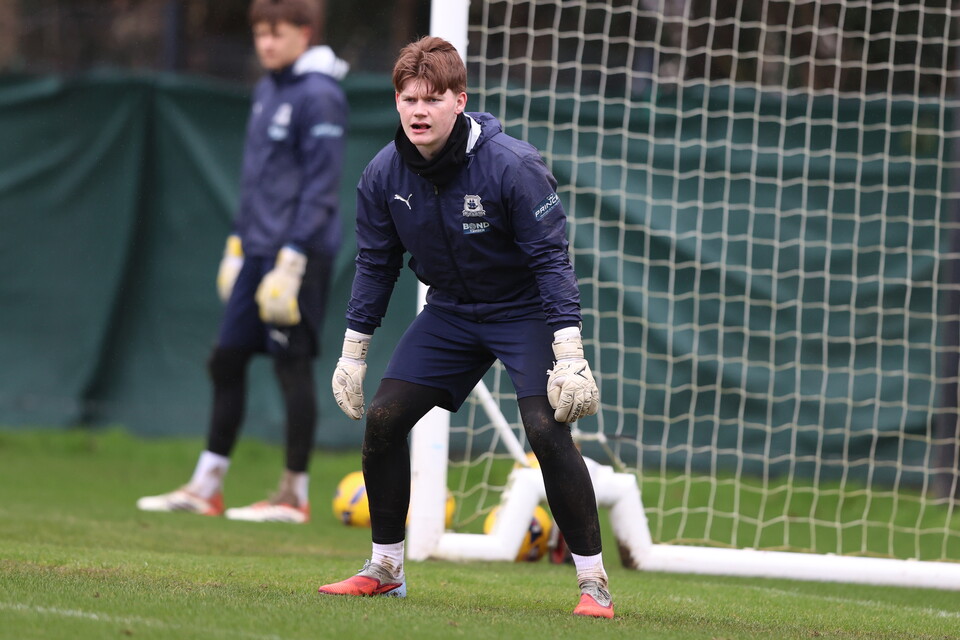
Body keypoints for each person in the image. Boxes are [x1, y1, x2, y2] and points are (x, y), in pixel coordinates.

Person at [319, 36, 613, 618]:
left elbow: (551, 261)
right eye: (408, 98)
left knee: (544, 428)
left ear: (460, 100)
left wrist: (569, 350)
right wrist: (354, 351)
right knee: (382, 418)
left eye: (432, 98)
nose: (419, 111)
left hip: (522, 309)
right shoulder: (383, 174)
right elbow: (376, 265)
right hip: (450, 312)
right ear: (397, 102)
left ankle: (593, 582)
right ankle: (385, 569)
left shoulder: (513, 165)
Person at [137, 0, 349, 524]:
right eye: (259, 33)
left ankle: (293, 495)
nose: (266, 43)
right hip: (255, 250)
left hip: (297, 255)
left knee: (291, 365)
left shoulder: (321, 95)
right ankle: (206, 486)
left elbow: (322, 186)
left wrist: (294, 257)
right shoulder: (267, 88)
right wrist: (237, 242)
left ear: (305, 32)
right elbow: (258, 180)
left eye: (277, 32)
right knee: (226, 359)